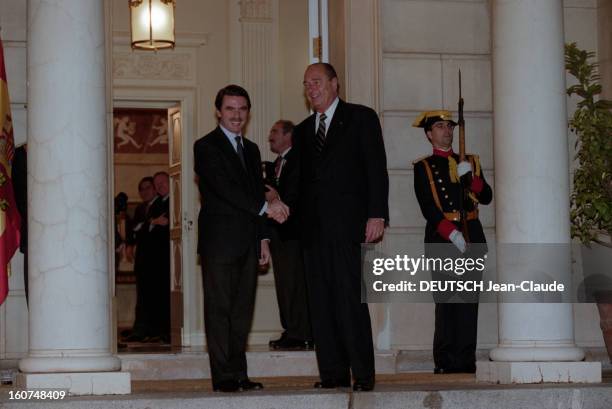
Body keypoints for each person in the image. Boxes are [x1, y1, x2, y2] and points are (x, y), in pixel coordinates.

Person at [296, 63, 389, 392]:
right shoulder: (303, 130)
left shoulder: (361, 117)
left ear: (335, 83)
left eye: (317, 81)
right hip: (313, 233)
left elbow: (376, 168)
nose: (311, 88)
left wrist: (377, 214)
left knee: (350, 300)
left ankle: (362, 374)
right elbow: (299, 184)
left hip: (348, 228)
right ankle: (333, 372)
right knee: (320, 304)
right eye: (307, 84)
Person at [193, 84, 289, 393]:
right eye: (231, 109)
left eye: (242, 109)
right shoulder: (205, 146)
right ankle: (223, 377)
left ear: (248, 113)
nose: (237, 115)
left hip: (249, 240)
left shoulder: (252, 149)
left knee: (242, 311)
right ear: (219, 111)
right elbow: (224, 189)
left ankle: (239, 374)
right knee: (219, 309)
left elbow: (252, 191)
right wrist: (267, 208)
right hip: (219, 242)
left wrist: (263, 238)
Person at [412, 110, 493, 374]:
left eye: (449, 126)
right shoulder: (423, 167)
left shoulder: (470, 161)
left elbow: (487, 197)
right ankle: (445, 361)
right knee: (447, 300)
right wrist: (451, 233)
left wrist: (472, 178)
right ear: (428, 134)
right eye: (439, 126)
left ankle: (466, 360)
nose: (447, 131)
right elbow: (428, 207)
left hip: (472, 231)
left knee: (469, 302)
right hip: (443, 237)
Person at [265, 120, 313, 350]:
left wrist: (276, 196)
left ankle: (302, 332)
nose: (270, 136)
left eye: (274, 131)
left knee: (295, 283)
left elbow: (298, 195)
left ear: (288, 135)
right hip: (278, 233)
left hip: (295, 233)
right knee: (284, 283)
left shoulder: (299, 160)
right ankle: (291, 329)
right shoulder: (276, 163)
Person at [123, 176, 157, 342]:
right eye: (141, 189)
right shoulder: (140, 209)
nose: (145, 192)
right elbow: (134, 229)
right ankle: (141, 329)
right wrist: (130, 244)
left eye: (148, 188)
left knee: (152, 297)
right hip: (142, 260)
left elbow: (141, 229)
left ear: (155, 188)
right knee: (142, 297)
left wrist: (144, 226)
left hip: (156, 261)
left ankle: (150, 330)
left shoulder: (160, 204)